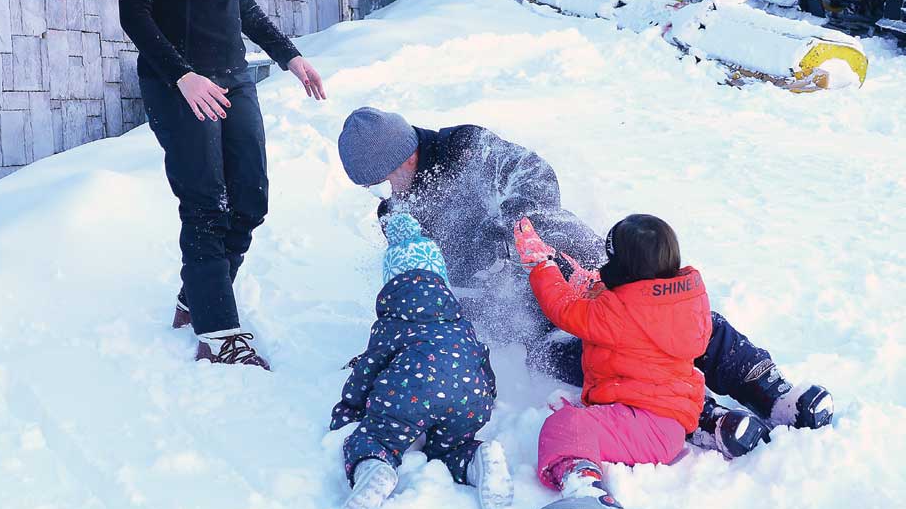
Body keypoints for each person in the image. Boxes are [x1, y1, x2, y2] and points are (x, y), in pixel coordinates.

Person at [336, 107, 834, 457]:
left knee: (665, 320)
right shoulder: (398, 213)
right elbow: (420, 281)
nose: (384, 192)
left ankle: (768, 388)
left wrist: (522, 220)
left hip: (580, 266)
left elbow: (529, 171)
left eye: (382, 178)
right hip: (534, 316)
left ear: (400, 156)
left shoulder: (464, 147)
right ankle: (702, 416)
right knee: (586, 358)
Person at [119, 0, 326, 367]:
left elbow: (241, 7)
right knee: (206, 204)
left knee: (252, 200)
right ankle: (219, 331)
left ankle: (199, 292)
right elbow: (132, 13)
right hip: (180, 88)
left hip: (233, 82)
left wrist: (291, 56)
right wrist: (183, 76)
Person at [514, 214, 711, 509]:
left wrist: (541, 266)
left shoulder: (619, 313)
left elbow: (565, 309)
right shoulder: (681, 300)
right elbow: (617, 300)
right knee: (576, 414)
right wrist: (580, 277)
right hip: (665, 419)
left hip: (649, 427)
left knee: (567, 425)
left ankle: (586, 487)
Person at [330, 213, 513, 509]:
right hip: (470, 400)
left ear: (392, 280)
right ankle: (476, 460)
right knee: (450, 449)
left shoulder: (393, 319)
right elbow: (482, 358)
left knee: (375, 439)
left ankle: (375, 467)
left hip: (411, 397)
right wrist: (490, 393)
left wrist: (349, 406)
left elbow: (369, 366)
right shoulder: (457, 318)